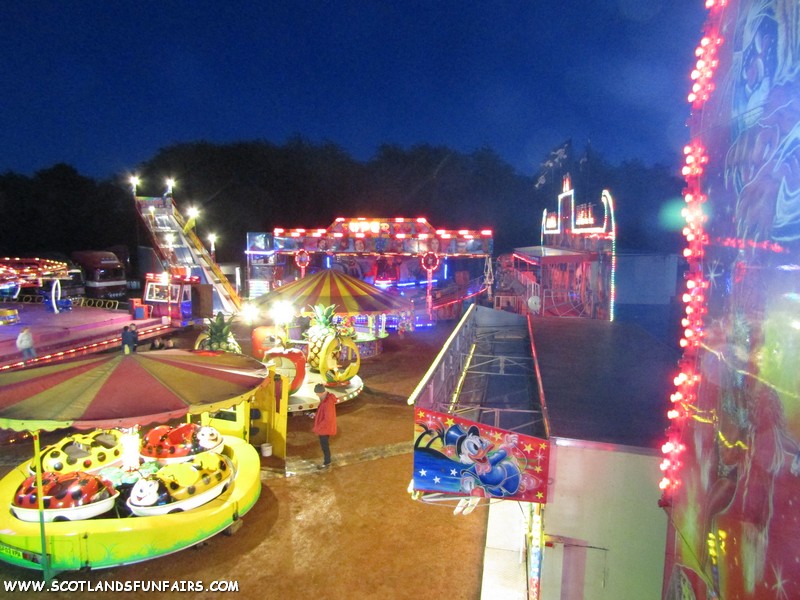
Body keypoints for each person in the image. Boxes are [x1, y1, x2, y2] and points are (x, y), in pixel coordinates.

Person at [312, 383, 337, 469]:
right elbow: (324, 413)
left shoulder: (326, 403)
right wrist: (316, 415)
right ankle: (327, 461)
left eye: (317, 394)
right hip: (326, 427)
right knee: (325, 445)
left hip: (324, 428)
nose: (317, 395)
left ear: (321, 393)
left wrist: (318, 427)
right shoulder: (327, 399)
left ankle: (327, 462)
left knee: (324, 446)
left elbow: (327, 419)